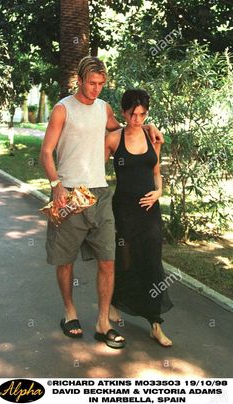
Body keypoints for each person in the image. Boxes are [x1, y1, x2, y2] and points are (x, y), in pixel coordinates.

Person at [40, 56, 164, 349]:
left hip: (99, 193)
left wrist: (150, 126)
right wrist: (56, 185)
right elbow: (46, 152)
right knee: (65, 259)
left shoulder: (103, 108)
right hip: (69, 192)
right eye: (92, 83)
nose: (96, 89)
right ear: (80, 80)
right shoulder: (62, 109)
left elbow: (128, 125)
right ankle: (70, 312)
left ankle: (103, 322)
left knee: (109, 259)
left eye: (101, 84)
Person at [105, 89, 173, 347]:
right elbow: (94, 169)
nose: (138, 119)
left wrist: (159, 191)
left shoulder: (152, 136)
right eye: (133, 114)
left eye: (143, 114)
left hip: (150, 211)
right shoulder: (113, 139)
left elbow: (156, 172)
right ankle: (114, 303)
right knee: (125, 259)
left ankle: (156, 324)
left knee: (152, 262)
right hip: (124, 209)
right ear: (123, 113)